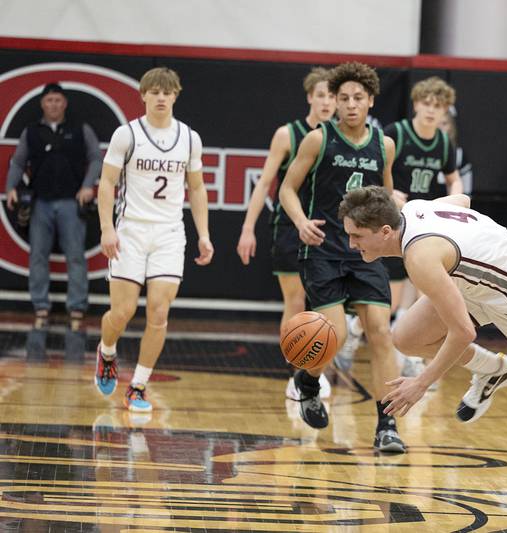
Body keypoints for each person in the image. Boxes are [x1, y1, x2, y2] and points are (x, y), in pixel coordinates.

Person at [338, 185, 507, 421]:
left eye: (357, 236)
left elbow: (463, 333)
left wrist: (421, 383)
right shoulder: (411, 209)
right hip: (475, 284)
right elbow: (462, 202)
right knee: (408, 338)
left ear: (386, 231)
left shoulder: (420, 258)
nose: (351, 244)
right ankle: (492, 370)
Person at [277, 61, 406, 452]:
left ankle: (387, 424)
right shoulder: (318, 139)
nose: (351, 105)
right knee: (330, 338)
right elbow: (286, 189)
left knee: (381, 333)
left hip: (366, 253)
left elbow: (386, 199)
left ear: (370, 101)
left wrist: (395, 234)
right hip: (324, 249)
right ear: (333, 101)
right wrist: (300, 222)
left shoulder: (384, 144)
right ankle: (308, 380)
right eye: (343, 98)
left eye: (358, 98)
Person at [94, 67, 214, 413]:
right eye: (155, 91)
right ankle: (107, 351)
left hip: (169, 233)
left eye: (167, 92)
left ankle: (138, 386)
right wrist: (107, 227)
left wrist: (204, 235)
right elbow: (106, 183)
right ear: (143, 95)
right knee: (123, 312)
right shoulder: (127, 135)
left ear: (176, 96)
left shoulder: (190, 138)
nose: (161, 97)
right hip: (130, 229)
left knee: (159, 313)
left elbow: (196, 187)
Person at [237, 67, 334, 331]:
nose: (327, 101)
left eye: (332, 96)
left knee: (327, 303)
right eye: (321, 95)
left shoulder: (341, 136)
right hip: (290, 227)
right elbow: (264, 183)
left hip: (328, 228)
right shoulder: (287, 134)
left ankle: (317, 366)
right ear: (309, 97)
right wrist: (248, 229)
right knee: (295, 301)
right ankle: (294, 369)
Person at [380, 77, 463, 377]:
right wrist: (389, 192)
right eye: (426, 103)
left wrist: (453, 197)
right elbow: (376, 169)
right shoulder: (396, 134)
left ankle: (412, 356)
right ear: (416, 104)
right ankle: (353, 332)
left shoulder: (443, 142)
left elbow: (453, 177)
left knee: (422, 285)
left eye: (438, 106)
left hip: (424, 221)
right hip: (393, 218)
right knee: (391, 291)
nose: (431, 110)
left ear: (444, 112)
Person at [5, 82, 102, 331]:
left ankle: (77, 307)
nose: (54, 105)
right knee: (38, 255)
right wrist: (10, 188)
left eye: (58, 100)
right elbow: (17, 163)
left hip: (72, 202)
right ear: (42, 104)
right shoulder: (32, 132)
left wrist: (88, 185)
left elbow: (95, 158)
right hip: (40, 203)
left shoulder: (80, 129)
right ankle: (40, 305)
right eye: (49, 101)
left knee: (76, 256)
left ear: (65, 103)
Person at [438, 106, 473, 195]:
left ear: (451, 126)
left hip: (446, 204)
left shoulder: (459, 154)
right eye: (437, 122)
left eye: (444, 123)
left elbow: (466, 187)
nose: (440, 127)